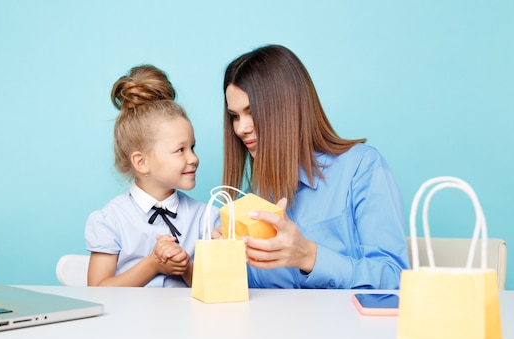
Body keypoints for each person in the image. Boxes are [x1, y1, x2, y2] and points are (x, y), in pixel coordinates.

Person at [221, 44, 409, 289]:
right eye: (234, 116)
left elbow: (395, 279)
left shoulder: (361, 168)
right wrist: (228, 258)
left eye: (251, 112)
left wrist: (308, 255)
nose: (240, 128)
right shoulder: (252, 198)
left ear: (287, 108)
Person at [85, 65, 218, 287]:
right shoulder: (111, 220)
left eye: (193, 147)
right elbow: (98, 290)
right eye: (180, 150)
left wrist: (185, 267)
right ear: (141, 162)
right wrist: (153, 264)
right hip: (129, 322)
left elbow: (218, 288)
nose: (193, 158)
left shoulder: (207, 219)